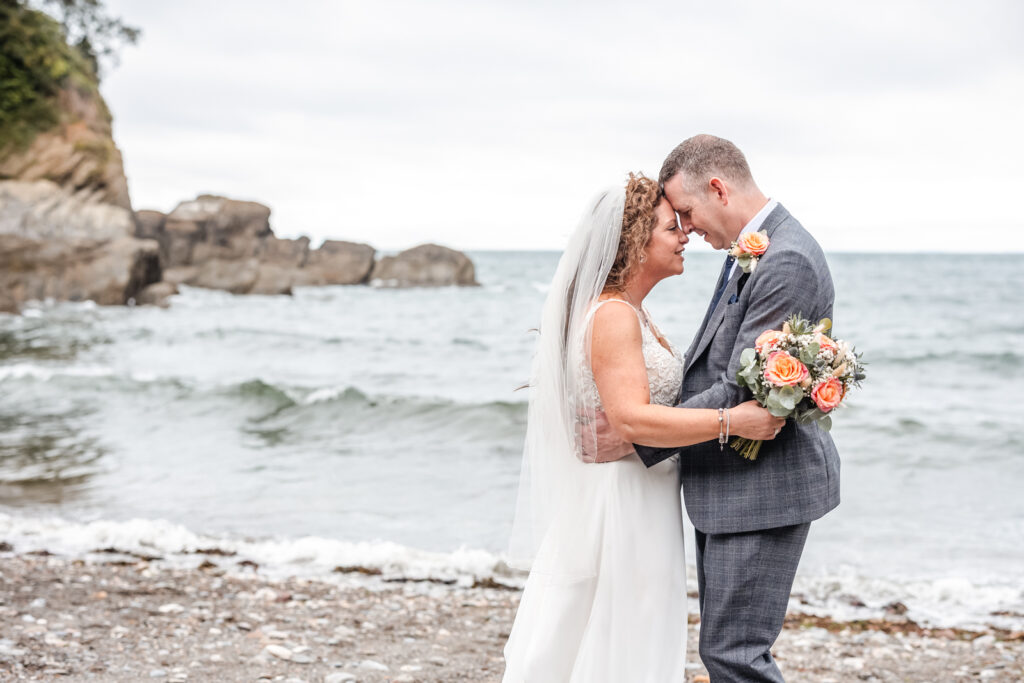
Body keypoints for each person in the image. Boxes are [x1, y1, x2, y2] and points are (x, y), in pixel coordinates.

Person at [502, 173, 783, 683]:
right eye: (669, 227)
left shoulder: (633, 311)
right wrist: (733, 420)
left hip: (640, 491)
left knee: (624, 630)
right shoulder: (613, 315)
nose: (684, 236)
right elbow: (631, 417)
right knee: (622, 635)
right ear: (631, 242)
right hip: (619, 502)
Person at [635, 134, 841, 682]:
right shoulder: (758, 248)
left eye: (686, 211)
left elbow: (740, 391)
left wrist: (639, 435)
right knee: (726, 651)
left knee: (735, 656)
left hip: (762, 488)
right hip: (734, 481)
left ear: (718, 188)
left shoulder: (786, 258)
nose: (686, 228)